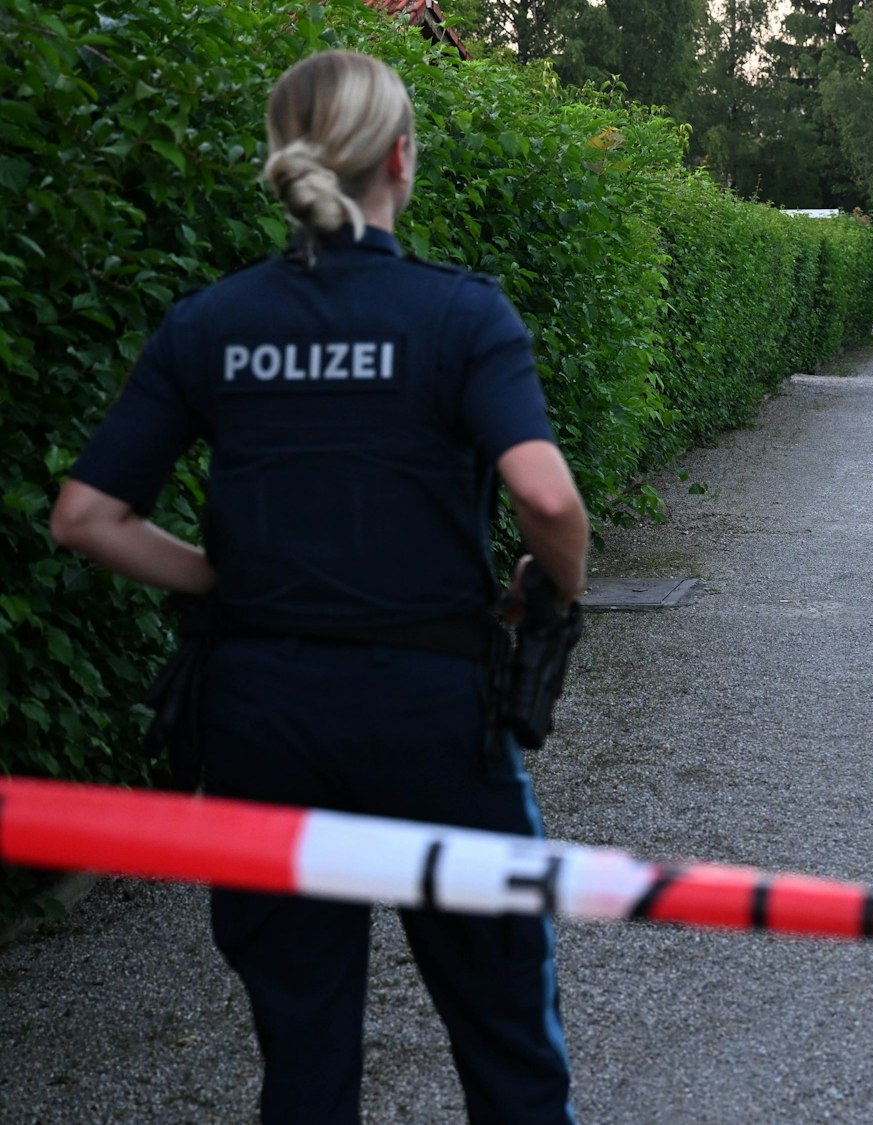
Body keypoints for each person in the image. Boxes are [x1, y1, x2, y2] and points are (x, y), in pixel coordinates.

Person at [48, 50, 585, 1124]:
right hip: (433, 718)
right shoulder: (460, 315)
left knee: (301, 1044)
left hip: (262, 718)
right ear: (401, 158)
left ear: (282, 157)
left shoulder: (211, 321)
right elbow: (546, 495)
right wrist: (552, 592)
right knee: (505, 1033)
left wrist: (225, 580)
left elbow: (85, 516)